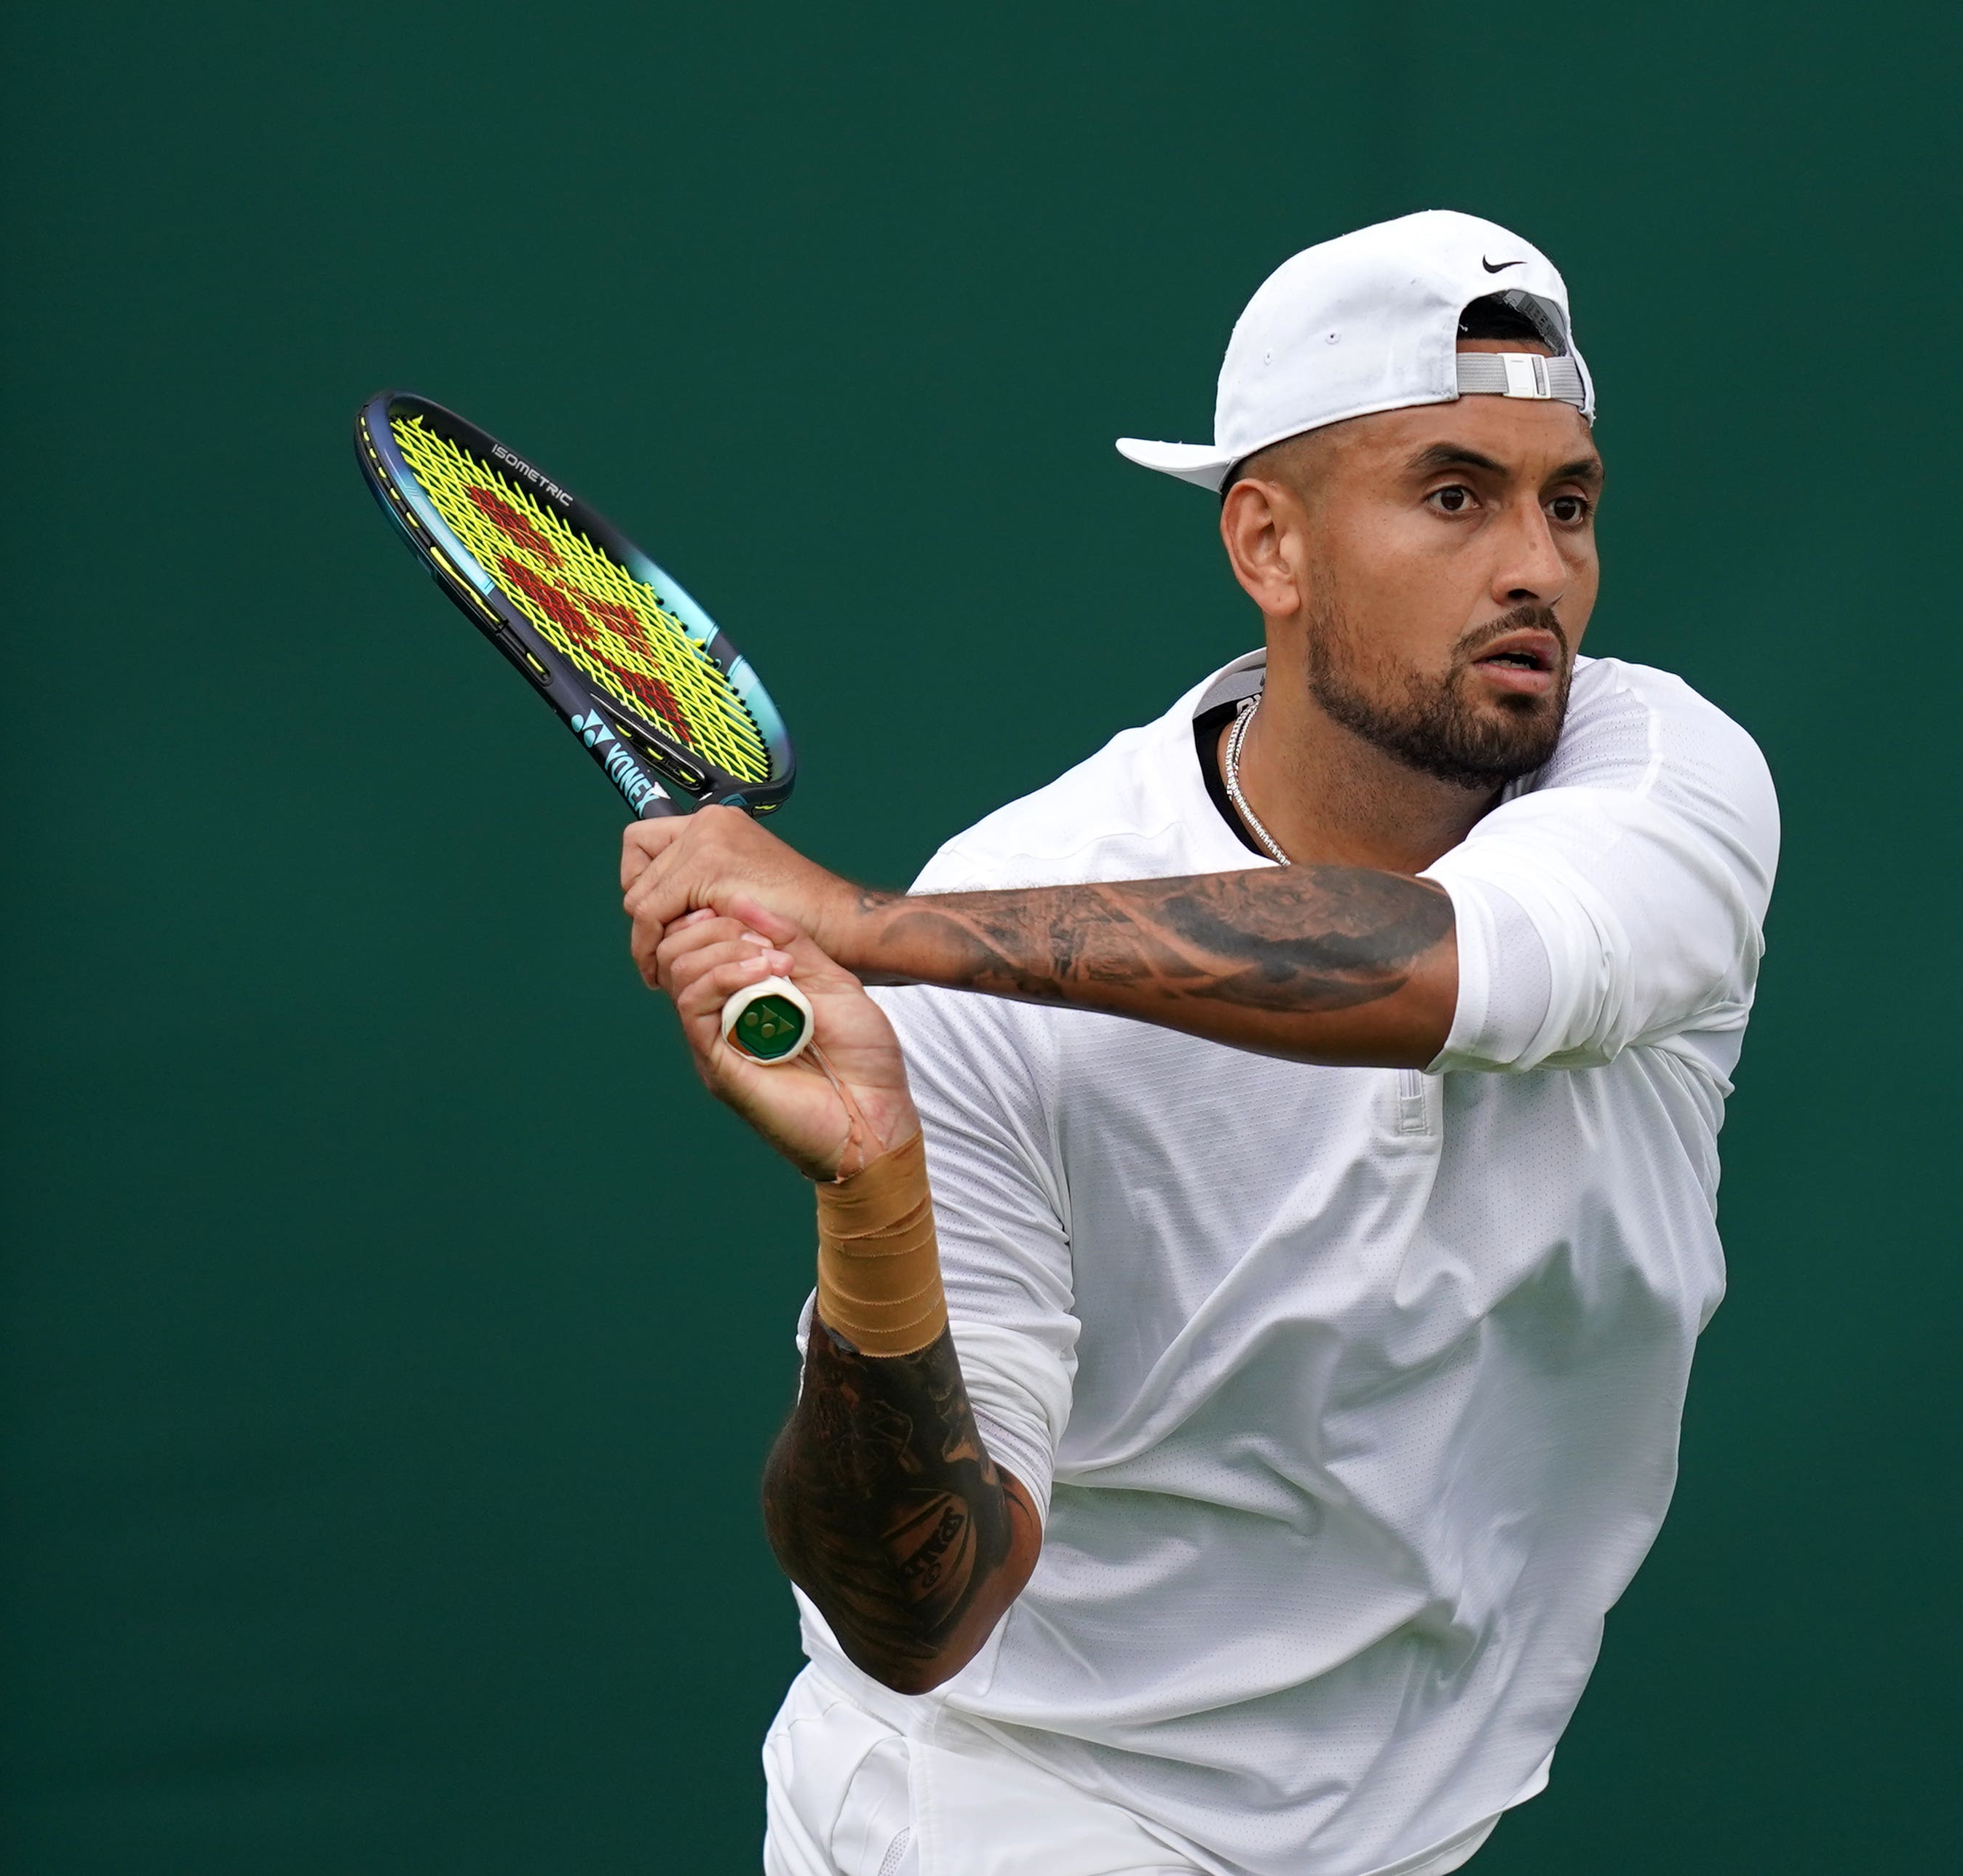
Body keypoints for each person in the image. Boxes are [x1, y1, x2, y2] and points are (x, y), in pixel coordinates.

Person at [620, 210, 1780, 1876]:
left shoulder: (1666, 780)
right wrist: (870, 1197)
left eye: (1567, 501)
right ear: (1269, 542)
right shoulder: (992, 923)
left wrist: (871, 926)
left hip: (1394, 1828)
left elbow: (1433, 969)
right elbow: (916, 1613)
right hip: (1007, 1818)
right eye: (1453, 494)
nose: (1536, 563)